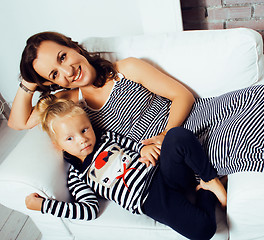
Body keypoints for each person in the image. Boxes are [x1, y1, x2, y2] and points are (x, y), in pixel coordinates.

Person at [9, 31, 264, 176]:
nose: (67, 71)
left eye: (63, 57)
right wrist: (29, 82)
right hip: (167, 153)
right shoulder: (69, 103)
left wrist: (167, 133)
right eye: (54, 74)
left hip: (191, 118)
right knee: (241, 139)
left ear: (73, 47)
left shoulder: (126, 68)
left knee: (255, 99)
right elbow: (18, 122)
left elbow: (182, 96)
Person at [25, 94, 226, 240]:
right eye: (70, 138)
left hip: (160, 171)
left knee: (176, 136)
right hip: (150, 201)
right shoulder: (77, 175)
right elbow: (88, 210)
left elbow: (136, 146)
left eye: (84, 129)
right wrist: (44, 206)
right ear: (58, 145)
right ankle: (205, 193)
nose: (82, 140)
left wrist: (143, 150)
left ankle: (209, 178)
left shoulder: (105, 137)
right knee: (203, 231)